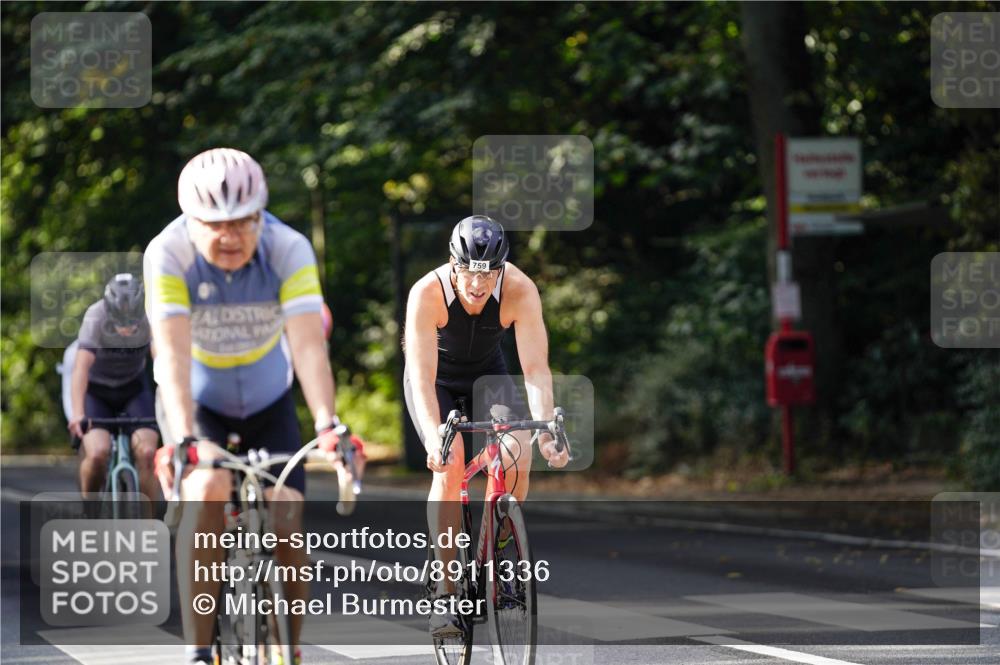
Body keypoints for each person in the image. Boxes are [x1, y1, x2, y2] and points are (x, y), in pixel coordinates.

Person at [145, 147, 361, 665]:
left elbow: (309, 348)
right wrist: (184, 439)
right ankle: (200, 649)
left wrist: (329, 424)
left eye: (244, 221)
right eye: (214, 224)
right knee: (208, 488)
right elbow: (171, 354)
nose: (231, 236)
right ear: (188, 221)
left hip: (269, 400)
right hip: (199, 403)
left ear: (262, 214)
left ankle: (290, 647)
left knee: (286, 513)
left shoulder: (289, 249)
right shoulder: (167, 253)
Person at [403, 215, 569, 637]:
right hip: (436, 381)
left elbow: (534, 369)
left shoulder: (519, 289)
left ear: (501, 270)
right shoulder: (427, 293)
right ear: (453, 265)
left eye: (489, 274)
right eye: (469, 273)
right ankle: (445, 589)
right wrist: (433, 432)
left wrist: (545, 428)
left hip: (488, 377)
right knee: (451, 462)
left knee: (518, 451)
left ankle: (500, 542)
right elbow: (420, 377)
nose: (478, 285)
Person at [67, 273, 159, 503]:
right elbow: (80, 369)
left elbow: (163, 363)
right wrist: (78, 414)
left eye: (132, 322)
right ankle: (90, 512)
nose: (126, 329)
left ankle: (149, 526)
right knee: (97, 454)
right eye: (120, 321)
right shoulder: (95, 316)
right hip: (97, 392)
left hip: (134, 389)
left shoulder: (151, 316)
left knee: (147, 454)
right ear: (109, 311)